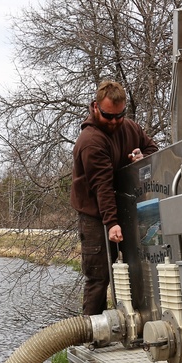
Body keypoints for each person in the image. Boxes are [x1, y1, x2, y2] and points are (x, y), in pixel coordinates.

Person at [71, 80, 159, 316]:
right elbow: (103, 186)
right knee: (99, 278)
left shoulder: (130, 127)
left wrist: (142, 156)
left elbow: (153, 150)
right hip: (95, 217)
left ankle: (135, 321)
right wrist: (111, 223)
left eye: (119, 116)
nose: (114, 122)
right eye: (109, 116)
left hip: (126, 211)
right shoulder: (90, 141)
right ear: (96, 107)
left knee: (137, 267)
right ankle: (91, 334)